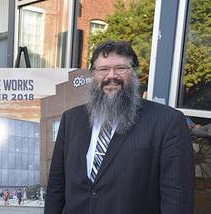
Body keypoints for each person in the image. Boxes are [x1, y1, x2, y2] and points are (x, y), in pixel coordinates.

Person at [45, 40, 194, 214]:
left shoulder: (167, 121)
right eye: (103, 69)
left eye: (121, 68)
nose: (111, 76)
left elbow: (177, 196)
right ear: (94, 75)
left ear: (134, 73)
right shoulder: (71, 119)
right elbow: (56, 186)